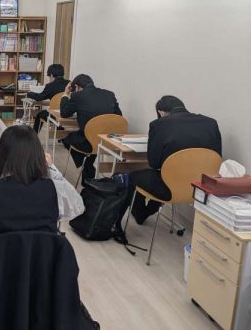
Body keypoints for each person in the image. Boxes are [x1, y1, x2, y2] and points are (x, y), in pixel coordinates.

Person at [0, 125, 84, 246]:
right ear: (39, 156)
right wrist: (51, 168)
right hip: (44, 257)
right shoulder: (55, 190)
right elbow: (78, 206)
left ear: (0, 155)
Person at [127, 96, 222, 224]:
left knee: (133, 176)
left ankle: (141, 214)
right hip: (201, 188)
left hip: (170, 188)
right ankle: (149, 210)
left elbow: (154, 163)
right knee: (164, 177)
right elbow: (217, 157)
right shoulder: (211, 123)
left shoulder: (159, 125)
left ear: (161, 112)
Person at [60, 74, 122, 180]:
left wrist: (65, 94)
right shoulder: (109, 94)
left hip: (88, 142)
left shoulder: (78, 96)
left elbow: (64, 113)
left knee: (66, 139)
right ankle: (88, 165)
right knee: (91, 139)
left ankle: (87, 166)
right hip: (108, 142)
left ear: (77, 87)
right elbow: (119, 116)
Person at [27, 64, 70, 133]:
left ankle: (34, 135)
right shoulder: (69, 84)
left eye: (49, 76)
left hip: (54, 115)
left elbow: (39, 97)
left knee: (39, 115)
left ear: (51, 75)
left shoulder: (50, 86)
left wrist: (29, 93)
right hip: (68, 114)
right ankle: (60, 131)